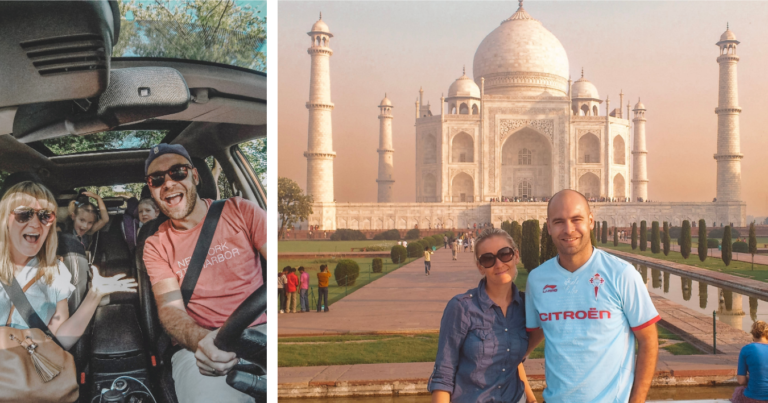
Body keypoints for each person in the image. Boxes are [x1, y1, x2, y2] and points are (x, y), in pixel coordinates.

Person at [141, 144, 266, 403]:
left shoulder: (241, 210)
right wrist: (203, 342)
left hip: (263, 331)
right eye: (157, 179)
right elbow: (170, 310)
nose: (168, 183)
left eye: (178, 172)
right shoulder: (156, 245)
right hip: (203, 344)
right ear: (151, 189)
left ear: (195, 176)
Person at [525, 189, 659, 402]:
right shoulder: (537, 280)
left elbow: (649, 340)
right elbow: (530, 339)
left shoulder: (621, 274)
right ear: (548, 227)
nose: (569, 230)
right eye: (559, 222)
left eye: (576, 219)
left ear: (590, 221)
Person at [0, 181, 136, 352]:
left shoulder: (56, 271)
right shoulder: (67, 233)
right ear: (4, 218)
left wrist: (95, 294)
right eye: (24, 214)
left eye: (45, 215)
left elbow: (61, 340)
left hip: (29, 369)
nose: (35, 224)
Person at [429, 228, 536, 403]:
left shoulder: (525, 306)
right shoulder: (462, 308)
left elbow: (514, 360)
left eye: (505, 254)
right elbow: (443, 375)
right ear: (480, 267)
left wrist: (531, 399)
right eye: (488, 259)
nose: (499, 264)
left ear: (516, 255)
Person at [733, 320, 768, 403]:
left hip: (753, 397)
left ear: (753, 334)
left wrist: (754, 377)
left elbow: (741, 381)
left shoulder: (746, 349)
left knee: (739, 391)